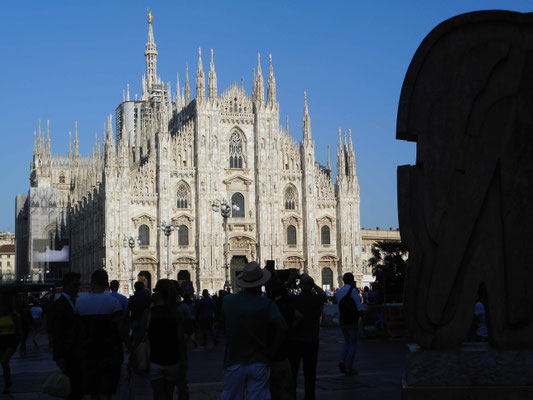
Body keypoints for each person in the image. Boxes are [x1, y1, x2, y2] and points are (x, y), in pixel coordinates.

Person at [222, 261, 287, 400]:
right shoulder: (267, 304)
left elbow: (221, 325)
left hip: (234, 360)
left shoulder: (227, 301)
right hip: (259, 360)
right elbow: (282, 328)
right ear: (261, 283)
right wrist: (272, 351)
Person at [76, 269, 130, 400]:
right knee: (107, 390)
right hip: (109, 351)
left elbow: (76, 329)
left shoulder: (80, 302)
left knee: (94, 390)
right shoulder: (113, 302)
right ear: (107, 283)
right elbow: (121, 328)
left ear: (92, 282)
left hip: (88, 351)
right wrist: (129, 345)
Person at [134, 279, 188, 400]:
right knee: (169, 394)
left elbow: (140, 335)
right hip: (173, 360)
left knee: (158, 395)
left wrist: (133, 351)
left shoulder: (148, 313)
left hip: (155, 360)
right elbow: (180, 339)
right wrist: (183, 360)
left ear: (156, 293)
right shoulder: (177, 312)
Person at [288, 274, 327, 400]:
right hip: (312, 340)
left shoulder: (294, 299)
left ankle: (292, 396)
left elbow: (280, 294)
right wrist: (314, 284)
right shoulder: (316, 299)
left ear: (300, 286)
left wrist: (289, 281)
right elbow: (323, 295)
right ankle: (310, 397)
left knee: (293, 372)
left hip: (295, 341)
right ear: (311, 287)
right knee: (310, 373)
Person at [48, 272, 83, 400]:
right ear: (66, 285)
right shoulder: (57, 306)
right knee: (71, 390)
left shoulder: (79, 302)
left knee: (78, 388)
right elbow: (55, 333)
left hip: (80, 353)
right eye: (75, 284)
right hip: (67, 354)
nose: (78, 287)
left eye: (78, 284)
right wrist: (58, 356)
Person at [335, 272, 362, 376]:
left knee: (346, 341)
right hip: (352, 320)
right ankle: (349, 368)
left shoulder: (338, 292)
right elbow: (358, 307)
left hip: (343, 320)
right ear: (351, 280)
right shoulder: (353, 291)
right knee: (353, 343)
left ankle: (342, 361)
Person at [0, 293, 22, 394]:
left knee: (4, 360)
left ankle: (7, 383)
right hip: (1, 341)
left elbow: (19, 329)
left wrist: (22, 343)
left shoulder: (14, 315)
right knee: (4, 363)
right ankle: (7, 382)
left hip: (11, 340)